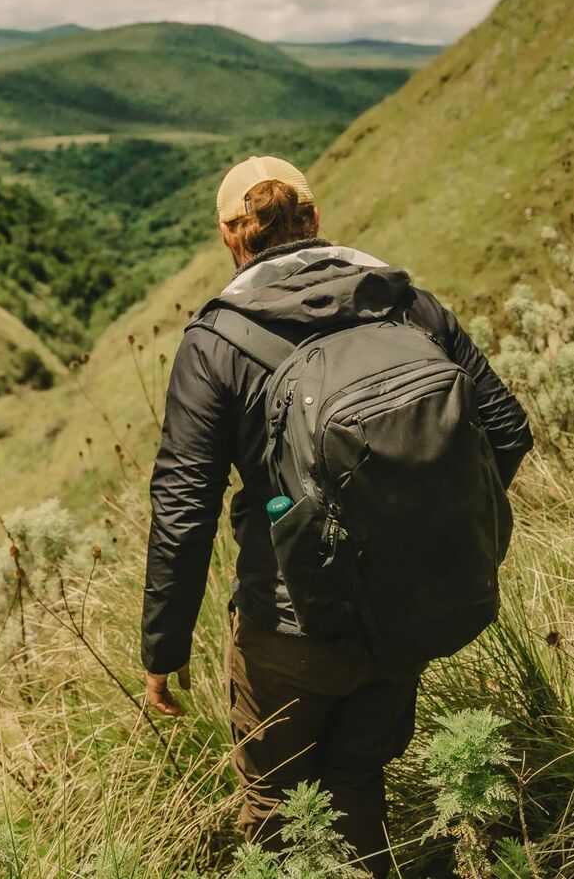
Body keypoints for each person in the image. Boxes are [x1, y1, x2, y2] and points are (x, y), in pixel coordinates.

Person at [142, 155, 533, 872]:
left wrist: (162, 654)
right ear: (315, 220)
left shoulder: (216, 343)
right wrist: (430, 532)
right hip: (403, 613)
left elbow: (183, 508)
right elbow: (508, 429)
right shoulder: (406, 302)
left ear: (231, 236)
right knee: (357, 780)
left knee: (275, 807)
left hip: (290, 626)